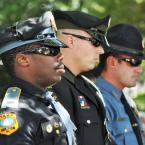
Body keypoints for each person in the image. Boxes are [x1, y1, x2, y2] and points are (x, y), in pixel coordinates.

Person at [0, 11, 77, 145]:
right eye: (51, 50)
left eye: (59, 50)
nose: (61, 56)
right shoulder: (16, 111)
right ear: (23, 59)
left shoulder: (43, 100)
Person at [52, 10, 114, 145]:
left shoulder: (89, 88)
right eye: (96, 41)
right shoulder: (48, 89)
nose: (102, 50)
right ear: (70, 40)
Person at [96, 24, 145, 145]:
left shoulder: (126, 101)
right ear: (112, 62)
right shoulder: (99, 102)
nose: (139, 69)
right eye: (134, 61)